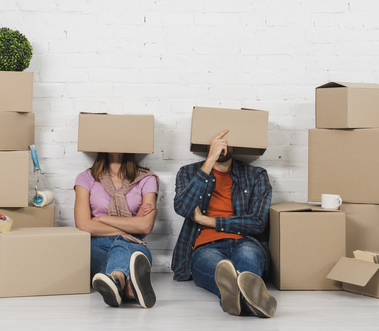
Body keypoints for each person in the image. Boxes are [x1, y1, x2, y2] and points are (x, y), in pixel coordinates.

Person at [171, 130, 277, 318]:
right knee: (221, 270)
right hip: (206, 246)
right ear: (207, 144)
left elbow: (258, 223)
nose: (224, 146)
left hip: (246, 242)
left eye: (228, 141)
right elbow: (182, 208)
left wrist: (206, 220)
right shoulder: (188, 173)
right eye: (218, 142)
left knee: (246, 264)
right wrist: (209, 161)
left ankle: (237, 299)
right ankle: (252, 300)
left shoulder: (256, 175)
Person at [74, 152, 158, 308]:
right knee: (108, 256)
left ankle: (116, 279)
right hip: (97, 245)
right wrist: (132, 223)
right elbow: (84, 225)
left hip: (132, 244)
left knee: (121, 247)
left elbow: (145, 226)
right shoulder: (86, 178)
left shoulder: (146, 178)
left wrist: (103, 218)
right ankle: (129, 289)